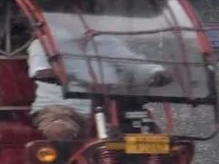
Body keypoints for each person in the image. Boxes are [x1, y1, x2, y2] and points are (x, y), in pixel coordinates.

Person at [27, 29, 171, 140]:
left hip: (109, 106)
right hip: (61, 109)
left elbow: (133, 62)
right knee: (60, 131)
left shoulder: (106, 42)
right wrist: (75, 79)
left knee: (150, 135)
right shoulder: (44, 43)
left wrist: (156, 72)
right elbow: (41, 72)